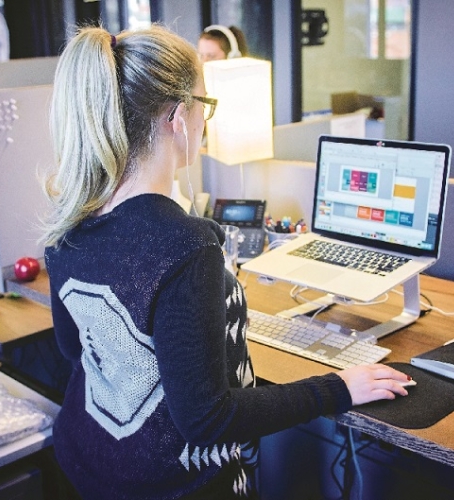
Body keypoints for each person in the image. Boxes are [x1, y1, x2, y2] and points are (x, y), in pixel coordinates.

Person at [42, 23, 411, 500]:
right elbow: (208, 419)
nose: (204, 122)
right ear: (177, 117)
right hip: (171, 485)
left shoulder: (70, 220)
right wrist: (337, 388)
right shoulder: (184, 245)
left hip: (88, 461)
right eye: (205, 107)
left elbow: (75, 349)